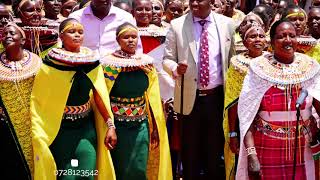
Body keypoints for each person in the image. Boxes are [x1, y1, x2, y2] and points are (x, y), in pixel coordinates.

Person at [31, 18, 117, 180]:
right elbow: (39, 101)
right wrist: (39, 132)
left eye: (80, 32)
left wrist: (110, 125)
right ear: (61, 37)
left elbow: (99, 95)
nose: (77, 35)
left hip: (85, 129)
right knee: (67, 176)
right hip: (60, 130)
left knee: (86, 173)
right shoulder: (50, 64)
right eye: (71, 32)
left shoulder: (91, 62)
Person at [237, 19, 320, 180]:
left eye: (292, 36)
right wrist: (251, 154)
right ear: (272, 42)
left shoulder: (310, 66)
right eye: (282, 36)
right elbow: (247, 115)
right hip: (266, 145)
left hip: (304, 146)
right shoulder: (258, 68)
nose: (288, 40)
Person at [163, 0, 236, 178]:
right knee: (190, 154)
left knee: (214, 152)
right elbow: (167, 59)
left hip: (217, 98)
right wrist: (175, 68)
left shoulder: (227, 24)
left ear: (211, 2)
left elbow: (232, 60)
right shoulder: (177, 25)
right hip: (189, 99)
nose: (194, 3)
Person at [100, 22, 172, 180]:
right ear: (118, 40)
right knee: (120, 168)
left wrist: (154, 127)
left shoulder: (145, 64)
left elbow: (153, 97)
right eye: (126, 37)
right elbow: (102, 96)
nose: (131, 40)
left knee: (139, 168)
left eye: (134, 37)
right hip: (118, 126)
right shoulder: (110, 66)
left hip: (141, 125)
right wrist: (109, 126)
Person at [224, 23, 267, 180]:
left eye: (261, 36)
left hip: (268, 122)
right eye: (252, 36)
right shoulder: (237, 64)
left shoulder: (273, 62)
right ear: (244, 41)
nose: (257, 39)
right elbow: (232, 101)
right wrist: (233, 133)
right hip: (244, 123)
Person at [0, 22, 41, 180]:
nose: (7, 36)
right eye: (4, 34)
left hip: (34, 122)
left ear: (22, 40)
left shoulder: (37, 63)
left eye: (11, 33)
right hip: (7, 127)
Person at [69, 0, 142, 57]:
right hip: (83, 71)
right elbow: (66, 46)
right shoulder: (76, 18)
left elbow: (137, 48)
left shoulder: (126, 18)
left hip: (118, 71)